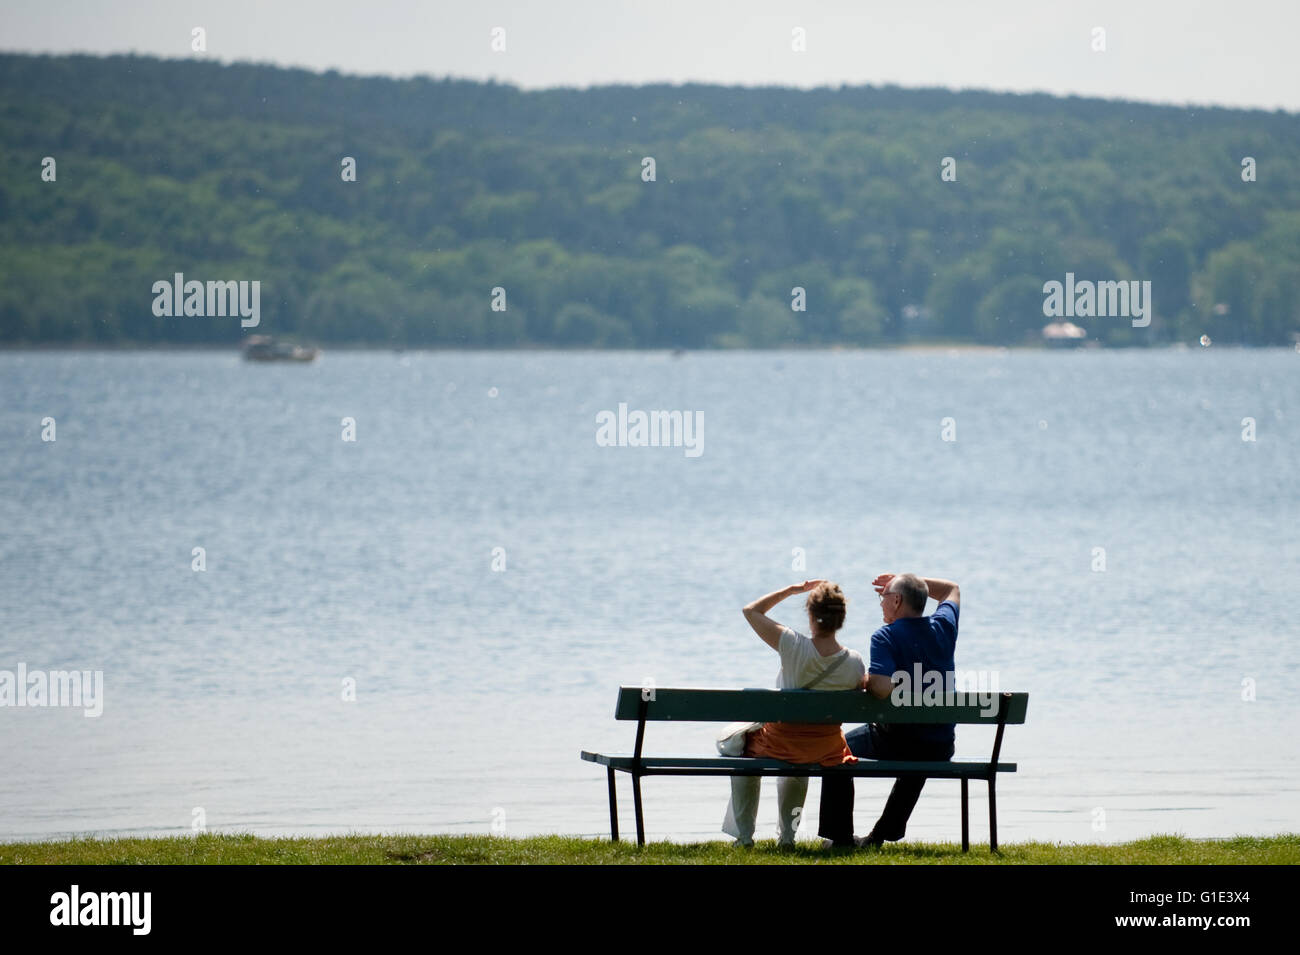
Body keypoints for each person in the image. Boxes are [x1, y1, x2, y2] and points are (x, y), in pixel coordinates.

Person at [817, 572, 961, 848]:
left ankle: (841, 837)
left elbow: (881, 688)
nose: (881, 603)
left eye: (883, 598)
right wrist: (912, 582)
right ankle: (880, 836)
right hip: (941, 745)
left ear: (896, 601)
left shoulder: (886, 636)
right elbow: (952, 589)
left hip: (898, 741)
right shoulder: (944, 627)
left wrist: (867, 680)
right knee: (923, 749)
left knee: (837, 748)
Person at [722, 579, 867, 847]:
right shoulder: (855, 662)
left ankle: (744, 837)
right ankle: (787, 837)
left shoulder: (792, 644)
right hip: (825, 748)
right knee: (801, 752)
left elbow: (750, 611)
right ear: (841, 619)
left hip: (781, 742)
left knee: (741, 750)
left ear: (811, 615)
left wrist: (791, 590)